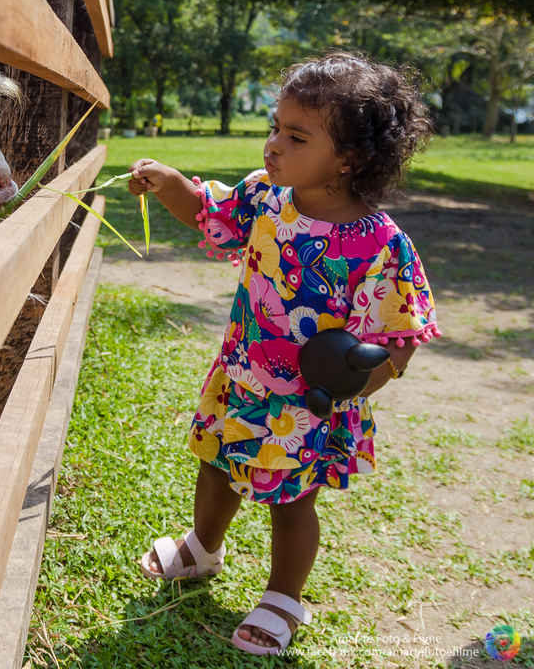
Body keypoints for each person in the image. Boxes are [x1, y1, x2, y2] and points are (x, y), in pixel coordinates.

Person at [127, 53, 440, 656]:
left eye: (296, 137)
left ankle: (283, 597)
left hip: (307, 405)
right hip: (241, 376)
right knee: (216, 465)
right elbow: (209, 215)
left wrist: (354, 386)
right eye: (276, 127)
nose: (273, 145)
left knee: (291, 502)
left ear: (350, 159)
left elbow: (401, 334)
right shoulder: (267, 197)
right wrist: (172, 184)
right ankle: (202, 547)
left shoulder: (381, 244)